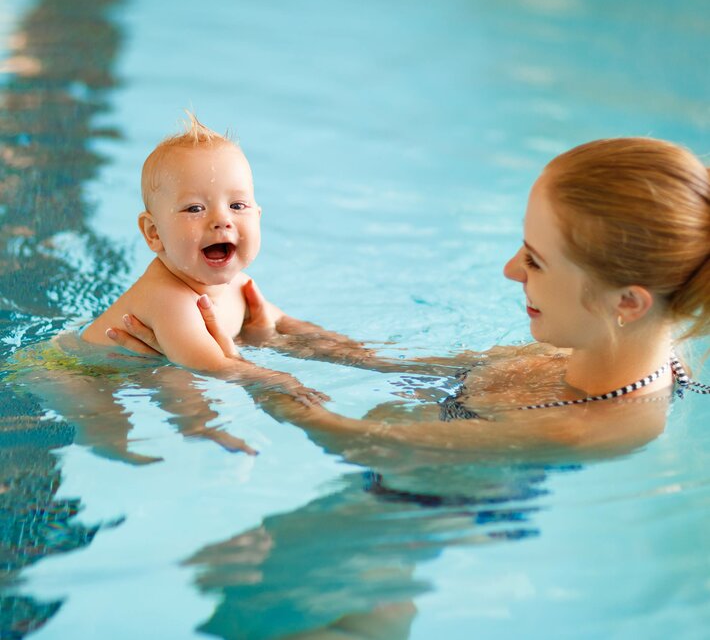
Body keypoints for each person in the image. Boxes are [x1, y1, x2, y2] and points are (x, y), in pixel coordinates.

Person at [109, 137, 709, 460]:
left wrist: (248, 376)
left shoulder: (583, 428)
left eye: (535, 258)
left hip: (409, 511)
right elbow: (394, 367)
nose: (508, 269)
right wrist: (283, 338)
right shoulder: (629, 340)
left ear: (628, 303)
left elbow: (360, 439)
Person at [81, 112, 325, 404]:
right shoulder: (168, 299)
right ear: (154, 232)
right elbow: (213, 366)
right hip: (77, 376)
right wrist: (281, 380)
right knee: (108, 427)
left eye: (237, 205)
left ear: (258, 216)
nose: (222, 219)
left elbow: (289, 326)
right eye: (195, 209)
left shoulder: (239, 285)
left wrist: (370, 359)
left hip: (133, 373)